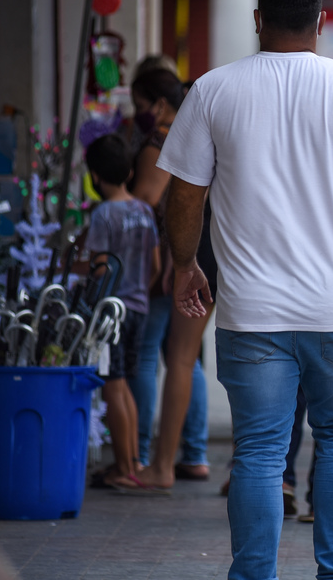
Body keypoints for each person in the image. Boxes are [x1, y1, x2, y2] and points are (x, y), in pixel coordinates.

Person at [154, 0, 333, 580]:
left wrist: (185, 265)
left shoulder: (212, 90)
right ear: (322, 19)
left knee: (257, 452)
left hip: (251, 314)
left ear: (258, 19)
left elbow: (185, 195)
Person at [126, 68, 213, 487]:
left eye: (140, 105)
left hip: (183, 258)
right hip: (213, 253)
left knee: (166, 356)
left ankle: (152, 461)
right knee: (187, 358)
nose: (137, 114)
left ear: (162, 105)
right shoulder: (208, 137)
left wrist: (174, 261)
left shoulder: (165, 141)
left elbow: (148, 201)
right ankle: (192, 453)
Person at [83, 134, 161, 492]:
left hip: (111, 312)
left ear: (95, 176)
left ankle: (123, 467)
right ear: (130, 171)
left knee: (112, 385)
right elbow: (155, 266)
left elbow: (100, 268)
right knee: (125, 383)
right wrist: (139, 290)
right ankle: (132, 463)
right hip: (140, 307)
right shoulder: (144, 212)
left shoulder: (103, 215)